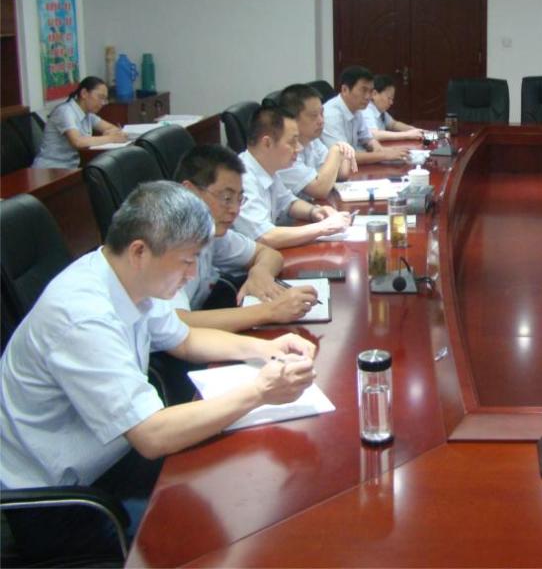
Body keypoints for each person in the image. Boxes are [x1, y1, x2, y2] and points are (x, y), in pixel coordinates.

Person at [0, 182, 318, 562]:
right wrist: (260, 391)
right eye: (186, 261)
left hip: (115, 454)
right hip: (65, 502)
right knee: (218, 528)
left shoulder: (126, 276)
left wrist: (266, 349)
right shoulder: (82, 317)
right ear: (139, 250)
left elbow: (184, 339)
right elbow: (152, 436)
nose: (192, 274)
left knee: (236, 483)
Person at [174, 144, 319, 330]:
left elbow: (269, 254)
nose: (235, 210)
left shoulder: (208, 231)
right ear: (190, 191)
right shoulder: (165, 242)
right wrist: (270, 311)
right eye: (226, 198)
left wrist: (260, 273)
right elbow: (175, 324)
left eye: (239, 199)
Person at [233, 104, 352, 249]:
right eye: (292, 142)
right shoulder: (241, 179)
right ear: (267, 143)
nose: (299, 148)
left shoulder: (266, 168)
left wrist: (314, 211)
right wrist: (323, 228)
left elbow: (287, 202)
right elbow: (264, 237)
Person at [276, 83, 357, 200]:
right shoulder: (283, 152)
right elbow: (320, 190)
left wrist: (340, 153)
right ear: (292, 119)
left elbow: (342, 173)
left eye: (322, 113)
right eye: (314, 115)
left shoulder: (312, 141)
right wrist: (336, 152)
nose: (321, 120)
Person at [321, 65, 414, 164]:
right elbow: (343, 156)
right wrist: (384, 155)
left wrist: (382, 151)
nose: (368, 97)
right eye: (363, 90)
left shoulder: (357, 108)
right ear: (345, 90)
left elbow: (368, 139)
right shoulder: (331, 115)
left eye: (370, 91)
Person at [32, 76, 128, 168]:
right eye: (100, 97)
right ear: (84, 93)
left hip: (71, 166)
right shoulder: (65, 112)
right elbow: (77, 141)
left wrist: (111, 133)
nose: (103, 103)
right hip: (51, 167)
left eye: (105, 99)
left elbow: (112, 128)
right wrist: (110, 138)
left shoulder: (88, 114)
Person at [362, 74, 427, 142]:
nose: (391, 102)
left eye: (392, 99)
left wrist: (416, 130)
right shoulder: (366, 110)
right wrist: (407, 135)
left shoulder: (379, 110)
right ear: (374, 94)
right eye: (389, 98)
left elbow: (393, 124)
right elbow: (374, 134)